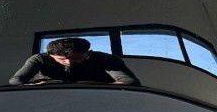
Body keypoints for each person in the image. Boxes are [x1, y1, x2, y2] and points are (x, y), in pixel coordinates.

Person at [9, 37, 140, 86]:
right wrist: (37, 86)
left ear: (88, 53)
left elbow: (130, 82)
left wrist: (92, 84)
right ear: (50, 55)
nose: (69, 62)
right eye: (61, 59)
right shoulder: (39, 59)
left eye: (76, 58)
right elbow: (16, 80)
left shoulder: (106, 59)